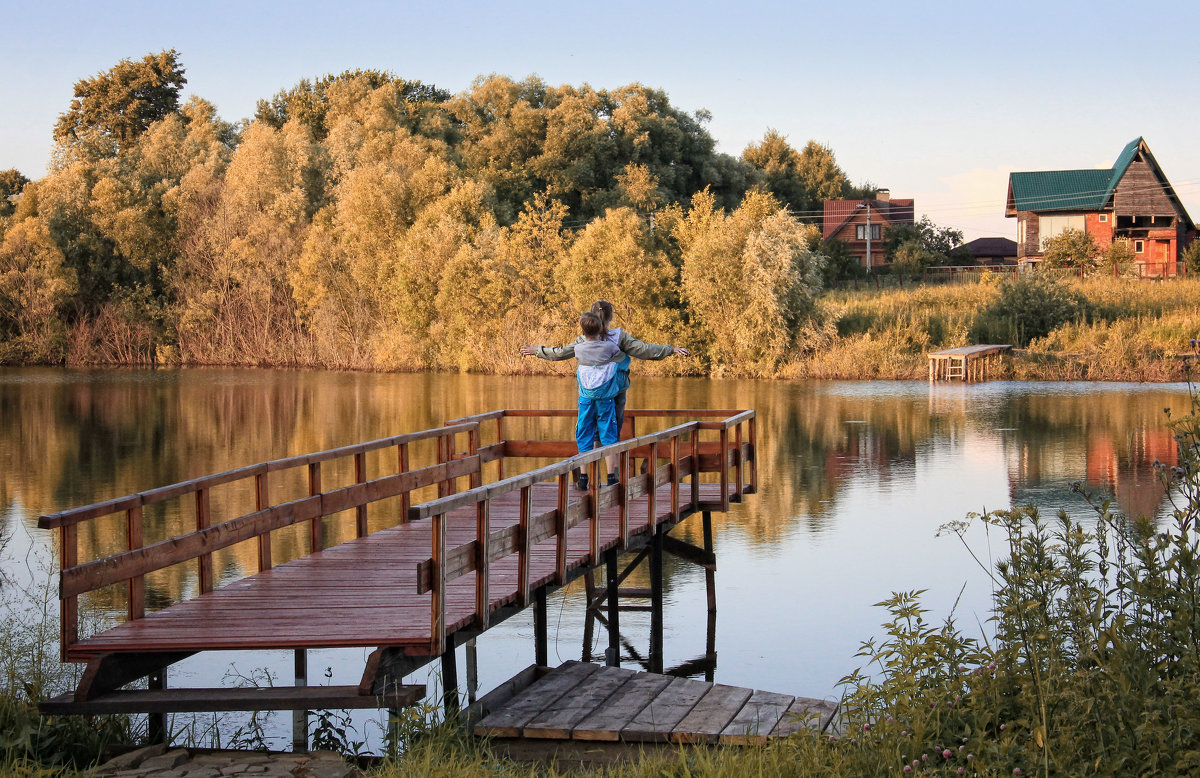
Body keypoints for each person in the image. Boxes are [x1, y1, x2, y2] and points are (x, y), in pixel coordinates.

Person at [521, 300, 689, 439]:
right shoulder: (619, 337)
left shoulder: (583, 339)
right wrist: (670, 349)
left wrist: (537, 350)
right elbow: (644, 350)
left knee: (589, 432)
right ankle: (613, 475)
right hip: (615, 390)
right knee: (611, 432)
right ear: (611, 317)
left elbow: (560, 353)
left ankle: (591, 475)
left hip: (588, 391)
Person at [568, 312, 628, 491]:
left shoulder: (578, 349)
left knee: (584, 434)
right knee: (609, 434)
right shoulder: (609, 347)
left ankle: (584, 477)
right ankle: (611, 477)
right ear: (601, 328)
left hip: (586, 399)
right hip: (605, 398)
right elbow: (622, 359)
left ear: (582, 330)